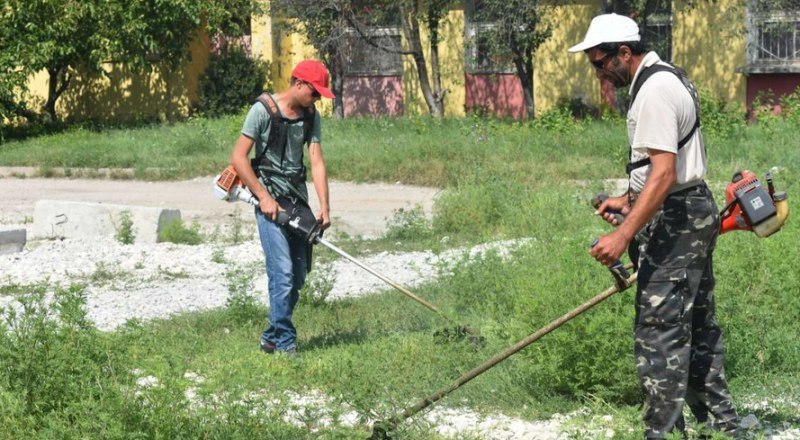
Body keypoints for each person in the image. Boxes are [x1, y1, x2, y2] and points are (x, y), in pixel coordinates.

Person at [569, 13, 740, 439]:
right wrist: (627, 201)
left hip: (679, 216)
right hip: (688, 209)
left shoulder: (655, 91)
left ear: (623, 53)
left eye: (599, 63)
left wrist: (622, 233)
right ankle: (721, 426)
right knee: (697, 323)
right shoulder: (663, 78)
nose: (599, 74)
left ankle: (661, 434)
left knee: (659, 331)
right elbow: (666, 166)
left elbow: (665, 174)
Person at [229, 59, 334, 356]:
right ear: (299, 84)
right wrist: (262, 196)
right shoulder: (262, 111)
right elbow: (238, 158)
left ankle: (271, 336)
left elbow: (316, 160)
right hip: (269, 203)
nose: (317, 100)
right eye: (315, 93)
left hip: (297, 203)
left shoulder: (311, 117)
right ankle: (286, 345)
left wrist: (324, 206)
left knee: (299, 275)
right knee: (283, 273)